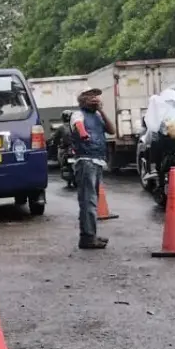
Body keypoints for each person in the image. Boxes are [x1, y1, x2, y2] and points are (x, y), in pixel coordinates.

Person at [70, 89, 115, 249]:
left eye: (96, 96)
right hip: (86, 161)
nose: (95, 98)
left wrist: (101, 111)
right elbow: (79, 125)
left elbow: (112, 130)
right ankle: (88, 238)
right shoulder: (78, 114)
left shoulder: (97, 115)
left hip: (97, 161)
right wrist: (83, 133)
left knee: (92, 200)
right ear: (82, 100)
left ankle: (90, 234)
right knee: (88, 200)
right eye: (90, 96)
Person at [141, 89, 175, 177]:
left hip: (171, 144)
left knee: (155, 146)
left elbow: (152, 132)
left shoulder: (160, 115)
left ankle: (155, 170)